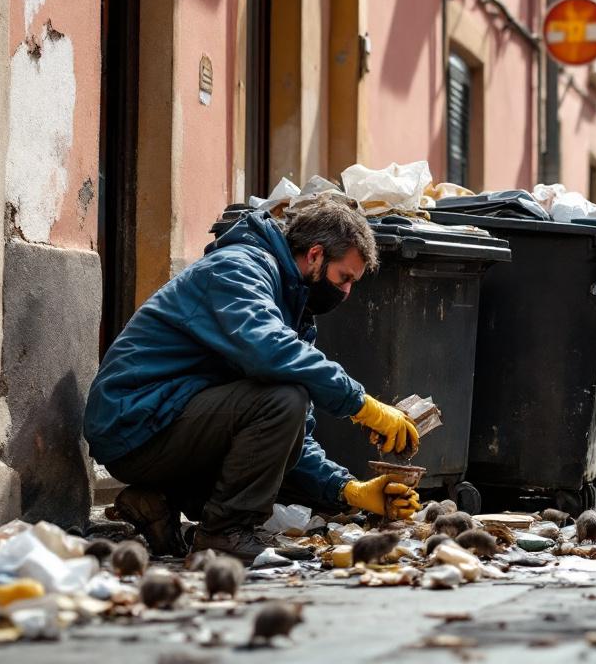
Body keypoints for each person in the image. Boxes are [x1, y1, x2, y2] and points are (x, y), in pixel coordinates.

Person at [84, 196, 421, 560]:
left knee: (287, 437)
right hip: (132, 422)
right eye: (345, 278)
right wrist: (361, 404)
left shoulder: (292, 308)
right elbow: (268, 351)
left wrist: (349, 489)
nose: (346, 292)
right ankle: (224, 534)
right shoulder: (238, 268)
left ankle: (159, 500)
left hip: (166, 422)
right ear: (315, 255)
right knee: (284, 400)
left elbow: (291, 439)